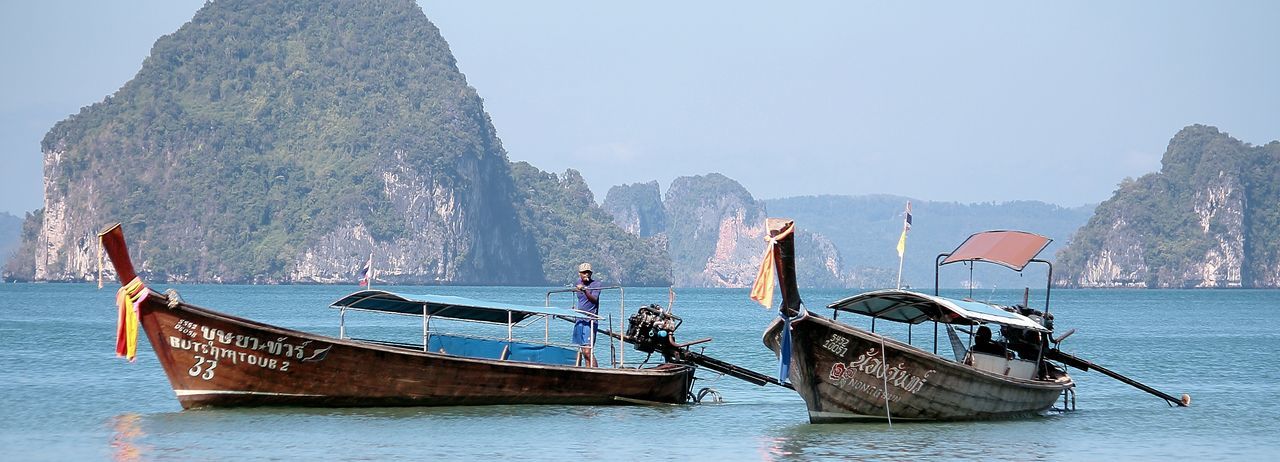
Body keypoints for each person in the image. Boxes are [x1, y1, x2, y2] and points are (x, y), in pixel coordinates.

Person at [572, 262, 602, 367]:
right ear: (580, 274)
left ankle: (595, 373)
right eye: (584, 273)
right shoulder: (578, 283)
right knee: (582, 351)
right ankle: (585, 371)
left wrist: (585, 290)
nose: (586, 275)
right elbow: (581, 301)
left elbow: (594, 300)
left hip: (590, 320)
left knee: (588, 351)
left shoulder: (596, 284)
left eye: (588, 273)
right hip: (580, 319)